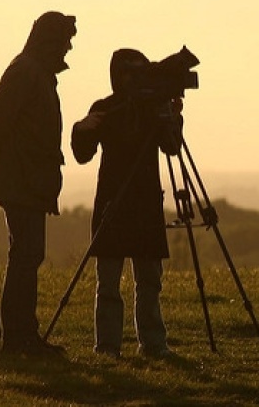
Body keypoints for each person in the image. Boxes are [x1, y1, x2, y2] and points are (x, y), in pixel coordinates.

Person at [0, 11, 77, 356]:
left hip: (27, 179)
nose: (69, 48)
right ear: (50, 41)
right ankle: (20, 337)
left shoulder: (33, 71)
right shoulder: (27, 72)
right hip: (22, 180)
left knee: (27, 255)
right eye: (65, 40)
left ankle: (23, 335)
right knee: (26, 256)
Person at [71, 48, 182, 360]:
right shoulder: (107, 109)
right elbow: (83, 153)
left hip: (143, 202)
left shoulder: (151, 108)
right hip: (114, 203)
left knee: (149, 281)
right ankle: (109, 347)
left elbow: (172, 147)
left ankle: (153, 345)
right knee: (108, 283)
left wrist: (173, 117)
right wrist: (83, 129)